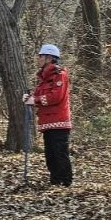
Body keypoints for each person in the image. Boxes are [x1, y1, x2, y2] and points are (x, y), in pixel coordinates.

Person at [26, 43, 73, 186]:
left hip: (59, 121)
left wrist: (36, 99)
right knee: (50, 155)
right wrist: (30, 98)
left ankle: (65, 181)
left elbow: (55, 97)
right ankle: (55, 180)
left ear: (49, 58)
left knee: (60, 153)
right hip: (47, 122)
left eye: (40, 56)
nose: (38, 58)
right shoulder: (44, 78)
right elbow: (40, 95)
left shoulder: (60, 75)